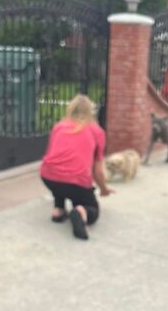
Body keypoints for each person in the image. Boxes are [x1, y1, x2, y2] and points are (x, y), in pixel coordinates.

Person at [40, 94, 114, 240]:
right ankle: (80, 212)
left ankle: (58, 210)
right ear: (91, 112)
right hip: (75, 182)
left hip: (48, 177)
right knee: (92, 208)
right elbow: (97, 171)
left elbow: (53, 155)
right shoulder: (97, 132)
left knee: (60, 173)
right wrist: (104, 189)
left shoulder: (58, 126)